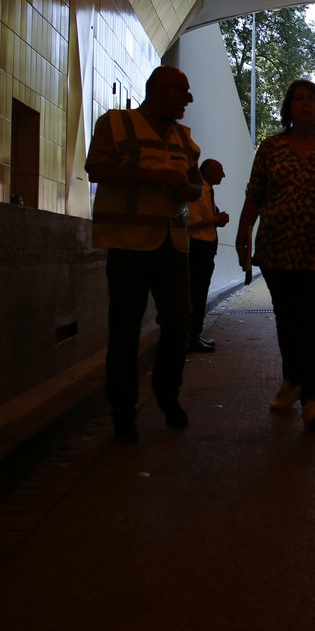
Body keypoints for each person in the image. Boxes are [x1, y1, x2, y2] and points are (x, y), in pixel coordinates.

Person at [234, 79, 315, 432]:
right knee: (287, 319)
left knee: (313, 321)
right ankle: (291, 379)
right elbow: (255, 194)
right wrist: (243, 233)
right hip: (278, 249)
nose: (305, 104)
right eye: (298, 99)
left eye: (311, 99)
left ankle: (311, 398)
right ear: (288, 107)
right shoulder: (271, 148)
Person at [85, 66, 203, 442]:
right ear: (160, 90)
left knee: (179, 327)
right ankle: (123, 414)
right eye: (183, 91)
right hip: (128, 243)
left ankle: (167, 396)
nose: (189, 99)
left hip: (173, 245)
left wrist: (190, 190)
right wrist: (155, 177)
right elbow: (96, 168)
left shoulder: (185, 139)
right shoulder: (115, 124)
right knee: (125, 330)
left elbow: (196, 184)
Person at [186, 158, 229, 353]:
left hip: (205, 249)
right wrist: (216, 219)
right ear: (208, 172)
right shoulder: (199, 191)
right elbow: (192, 221)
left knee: (199, 293)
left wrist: (216, 220)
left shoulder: (207, 190)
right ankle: (192, 337)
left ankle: (194, 335)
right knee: (197, 294)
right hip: (198, 249)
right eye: (219, 171)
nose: (223, 175)